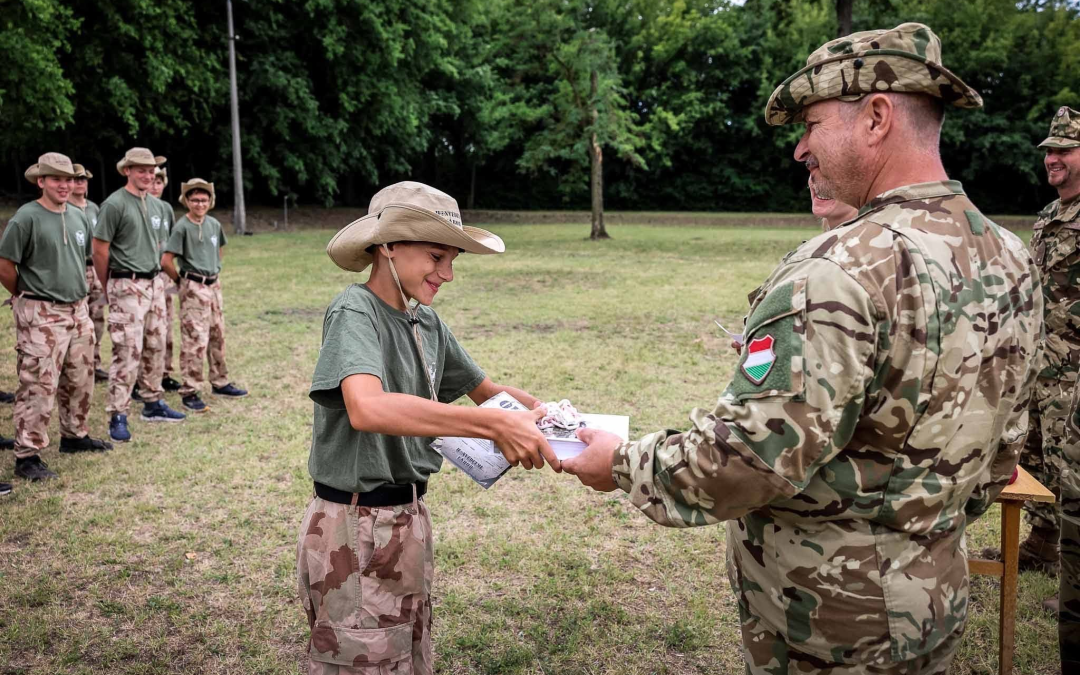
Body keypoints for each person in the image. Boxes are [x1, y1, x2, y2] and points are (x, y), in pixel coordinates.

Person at [564, 23, 1041, 674]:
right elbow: (1004, 448)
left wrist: (621, 463)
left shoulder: (838, 269)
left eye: (812, 123)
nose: (799, 149)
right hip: (933, 599)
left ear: (876, 117)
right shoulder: (1011, 256)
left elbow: (745, 460)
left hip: (828, 626)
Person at [295, 181, 559, 674]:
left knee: (407, 656)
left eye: (453, 260)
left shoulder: (426, 324)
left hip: (407, 519)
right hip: (356, 531)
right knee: (365, 658)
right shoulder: (355, 311)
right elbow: (366, 407)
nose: (449, 274)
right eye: (437, 256)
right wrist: (493, 424)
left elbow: (486, 390)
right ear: (389, 247)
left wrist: (555, 418)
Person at [0, 152, 113, 483]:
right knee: (38, 384)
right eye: (56, 179)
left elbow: (81, 261)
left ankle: (74, 436)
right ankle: (27, 454)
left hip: (78, 310)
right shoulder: (27, 218)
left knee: (80, 377)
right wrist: (27, 292)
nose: (65, 185)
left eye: (69, 179)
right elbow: (6, 265)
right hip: (42, 313)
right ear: (41, 182)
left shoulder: (78, 216)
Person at [93, 147, 186, 443]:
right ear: (127, 171)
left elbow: (162, 249)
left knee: (157, 345)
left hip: (154, 284)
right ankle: (118, 413)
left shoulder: (160, 207)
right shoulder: (115, 204)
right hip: (126, 284)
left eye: (152, 171)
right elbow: (99, 250)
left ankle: (152, 401)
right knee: (127, 350)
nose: (148, 175)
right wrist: (111, 284)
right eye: (141, 170)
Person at [1043, 105, 1080, 670]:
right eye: (1048, 151)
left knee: (1074, 480)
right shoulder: (1052, 214)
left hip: (1076, 376)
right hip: (1045, 368)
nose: (1052, 159)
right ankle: (1037, 549)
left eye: (1064, 150)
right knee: (1042, 463)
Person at [161, 179, 247, 411]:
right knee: (194, 340)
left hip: (213, 285)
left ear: (210, 201)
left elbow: (218, 249)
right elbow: (166, 260)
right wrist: (182, 281)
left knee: (217, 334)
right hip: (193, 286)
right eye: (195, 199)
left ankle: (220, 381)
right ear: (186, 201)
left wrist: (214, 270)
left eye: (204, 199)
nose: (200, 203)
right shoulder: (182, 227)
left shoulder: (213, 224)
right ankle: (190, 391)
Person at [69, 163, 108, 382]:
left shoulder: (94, 208)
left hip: (96, 266)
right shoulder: (65, 207)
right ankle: (77, 365)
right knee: (77, 318)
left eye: (83, 179)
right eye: (76, 179)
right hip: (77, 267)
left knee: (97, 317)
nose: (80, 183)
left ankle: (94, 362)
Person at [149, 164, 180, 392]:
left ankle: (165, 373)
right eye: (152, 182)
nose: (155, 186)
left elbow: (170, 244)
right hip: (144, 275)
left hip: (164, 275)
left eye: (159, 182)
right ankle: (145, 377)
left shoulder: (166, 209)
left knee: (166, 327)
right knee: (146, 330)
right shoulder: (139, 208)